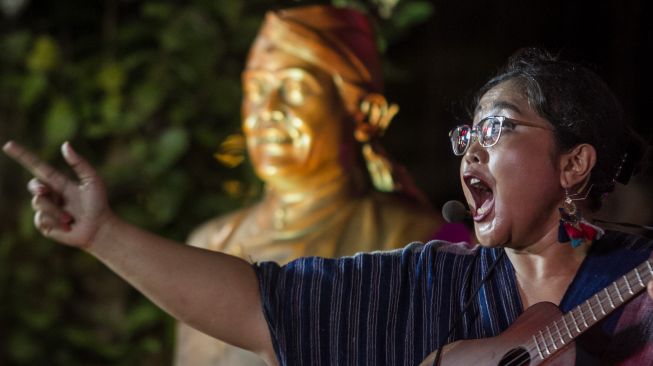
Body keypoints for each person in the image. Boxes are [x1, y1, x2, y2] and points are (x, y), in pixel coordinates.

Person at [4, 48, 653, 365]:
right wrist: (104, 234)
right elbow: (262, 307)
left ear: (573, 164)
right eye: (467, 136)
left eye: (498, 129)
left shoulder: (640, 279)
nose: (470, 154)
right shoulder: (427, 282)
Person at [175, 5, 444, 365]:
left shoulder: (415, 243)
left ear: (364, 114)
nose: (266, 109)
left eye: (296, 87)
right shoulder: (210, 243)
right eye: (256, 88)